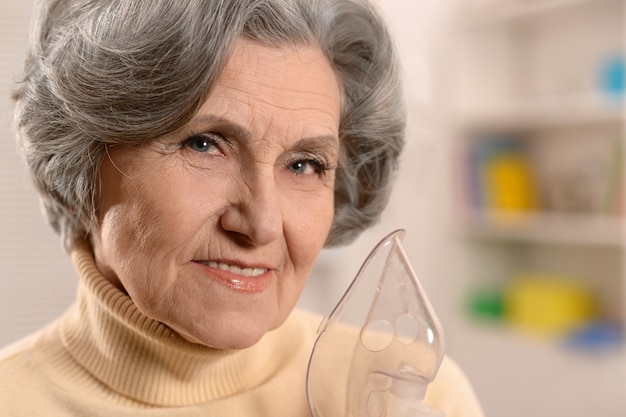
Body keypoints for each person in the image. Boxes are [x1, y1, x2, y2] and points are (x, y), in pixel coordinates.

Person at [0, 0, 484, 415]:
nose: (263, 224)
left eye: (305, 165)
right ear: (82, 158)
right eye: (205, 144)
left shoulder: (413, 392)